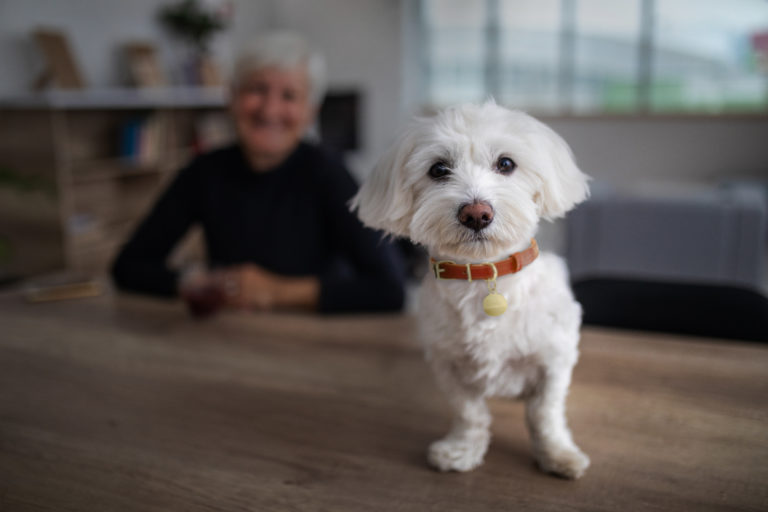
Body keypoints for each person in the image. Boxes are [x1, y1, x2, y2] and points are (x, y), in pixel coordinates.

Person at [111, 32, 405, 315]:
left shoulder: (329, 174)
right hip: (229, 336)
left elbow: (391, 288)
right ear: (232, 97)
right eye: (257, 89)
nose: (270, 109)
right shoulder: (203, 171)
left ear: (310, 112)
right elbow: (128, 266)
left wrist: (276, 291)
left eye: (289, 95)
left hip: (314, 341)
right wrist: (191, 280)